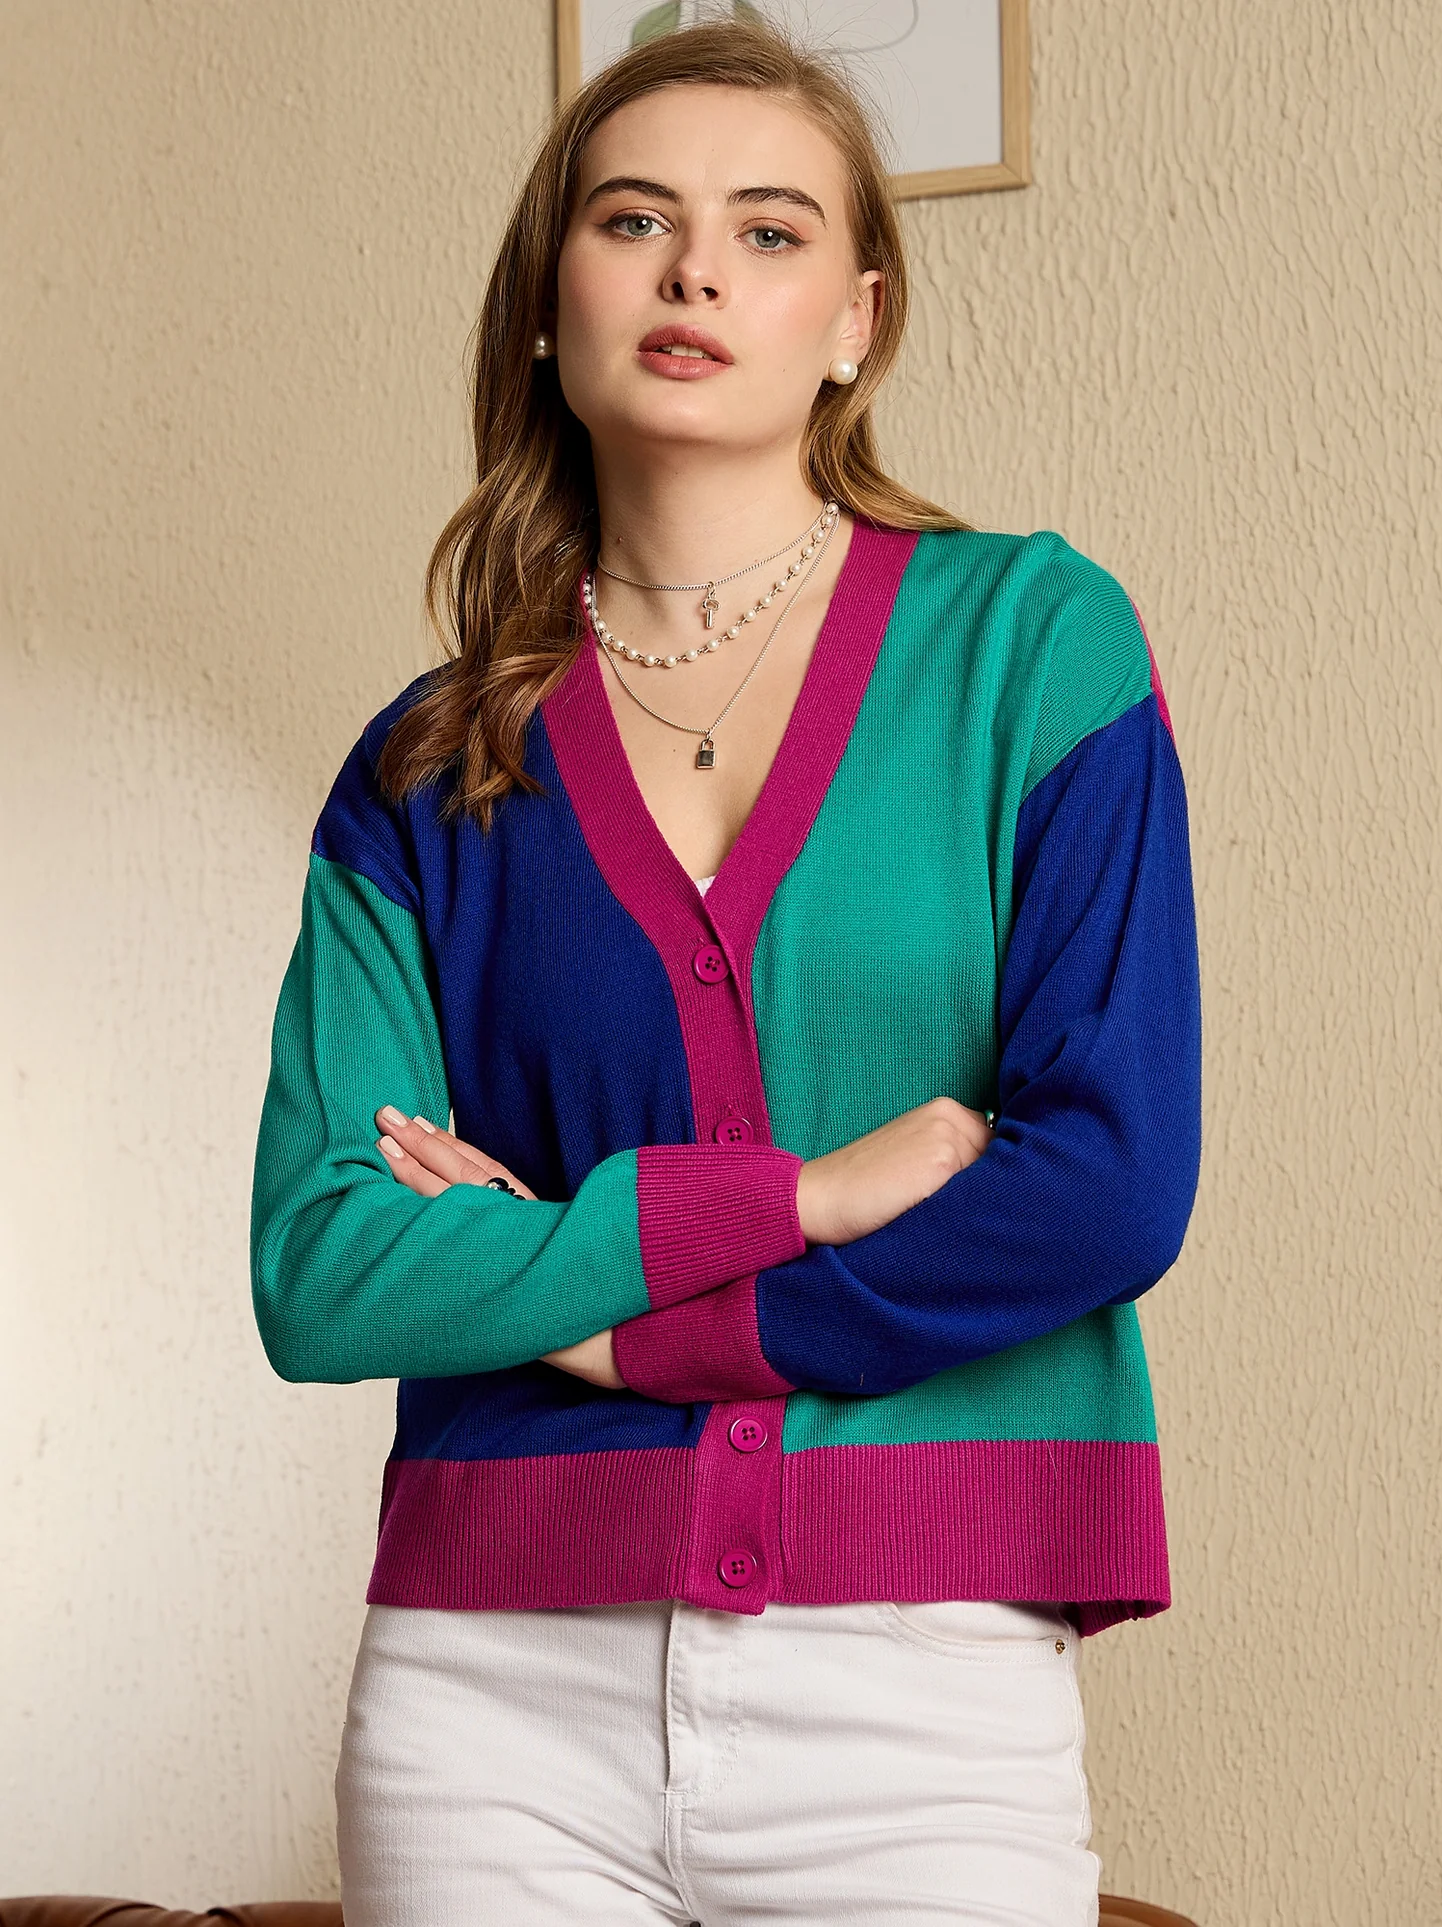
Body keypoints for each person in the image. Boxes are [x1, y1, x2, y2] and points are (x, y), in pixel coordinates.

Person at [250, 17, 1201, 1926]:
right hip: (487, 1703)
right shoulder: (427, 766)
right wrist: (799, 1197)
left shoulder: (1033, 646)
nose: (696, 270)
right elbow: (327, 1264)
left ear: (857, 318)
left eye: (770, 233)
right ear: (549, 305)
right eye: (634, 221)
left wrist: (592, 1306)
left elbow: (1104, 1185)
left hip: (925, 1680)